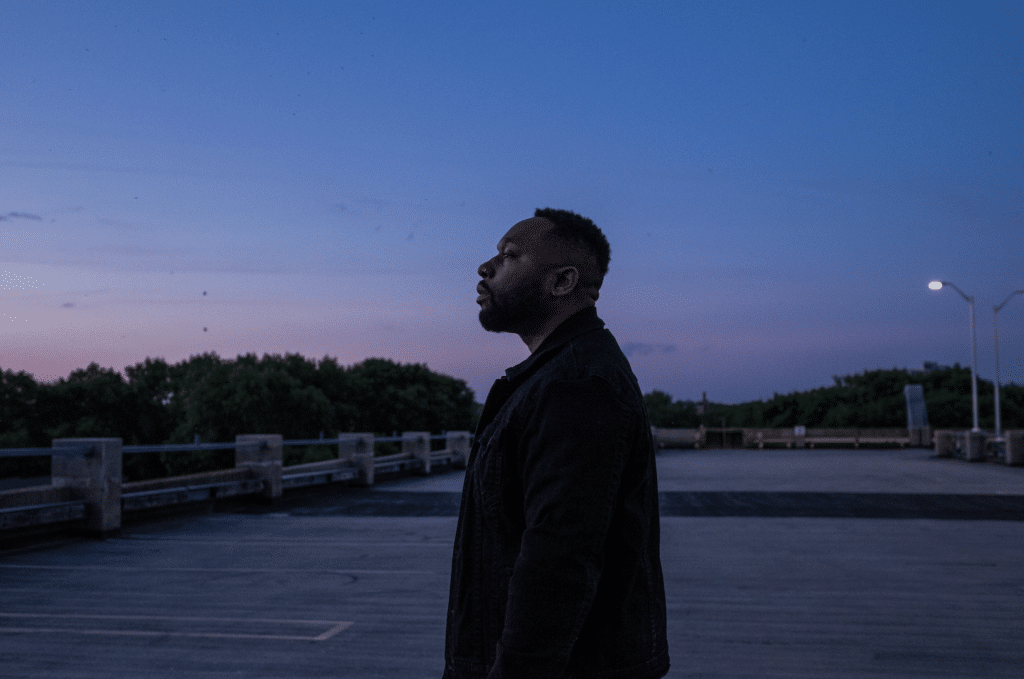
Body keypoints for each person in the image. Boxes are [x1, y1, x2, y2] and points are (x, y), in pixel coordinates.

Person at [443, 208, 669, 679]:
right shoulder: (559, 375)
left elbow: (559, 560)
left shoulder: (577, 385)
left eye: (509, 255)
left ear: (562, 281)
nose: (485, 268)